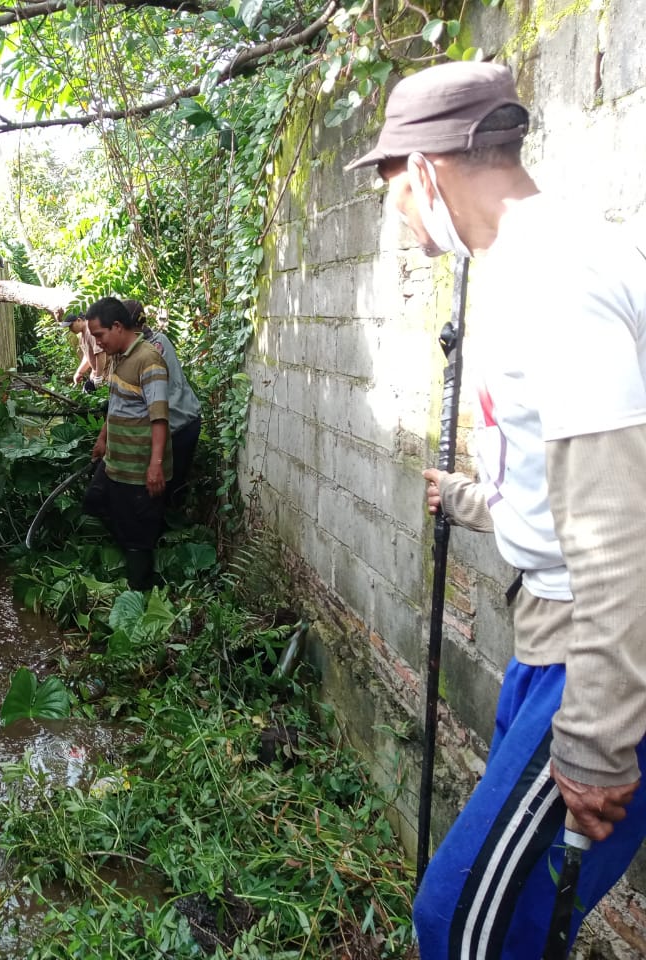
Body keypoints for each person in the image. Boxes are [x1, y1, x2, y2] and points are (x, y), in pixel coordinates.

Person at [349, 61, 646, 958]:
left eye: (393, 185)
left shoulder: (556, 280)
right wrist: (478, 501)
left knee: (461, 925)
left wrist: (595, 737)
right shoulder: (526, 264)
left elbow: (616, 530)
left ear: (430, 167)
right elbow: (572, 472)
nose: (397, 210)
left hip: (594, 649)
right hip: (555, 626)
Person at [82, 297, 172, 590]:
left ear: (118, 327)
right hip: (115, 463)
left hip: (139, 469)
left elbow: (159, 418)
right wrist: (102, 439)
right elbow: (117, 405)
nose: (97, 344)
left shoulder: (149, 360)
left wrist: (155, 466)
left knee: (138, 538)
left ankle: (140, 594)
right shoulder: (119, 356)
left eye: (99, 336)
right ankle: (133, 552)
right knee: (93, 501)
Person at [123, 299, 202, 505]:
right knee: (170, 486)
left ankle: (173, 529)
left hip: (178, 424)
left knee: (168, 487)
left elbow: (149, 398)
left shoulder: (149, 350)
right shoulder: (157, 340)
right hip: (184, 420)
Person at [62, 312, 108, 393]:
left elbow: (101, 354)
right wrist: (79, 372)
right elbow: (87, 356)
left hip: (109, 373)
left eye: (71, 326)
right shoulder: (82, 336)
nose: (70, 329)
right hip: (98, 373)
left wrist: (98, 377)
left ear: (79, 320)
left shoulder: (92, 331)